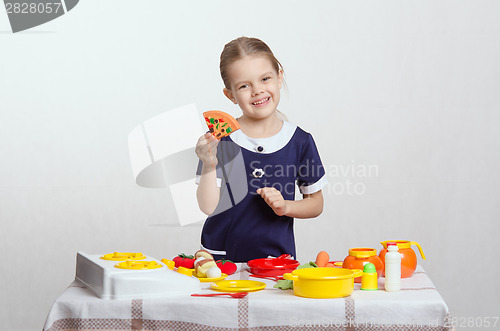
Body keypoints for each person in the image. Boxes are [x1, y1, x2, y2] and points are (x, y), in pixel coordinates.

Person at [195, 37, 327, 262]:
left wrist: (285, 206)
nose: (257, 90)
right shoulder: (221, 140)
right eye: (244, 86)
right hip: (221, 260)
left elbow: (316, 204)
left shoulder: (300, 141)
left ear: (279, 76)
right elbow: (208, 207)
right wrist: (209, 165)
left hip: (276, 260)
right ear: (230, 95)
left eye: (265, 79)